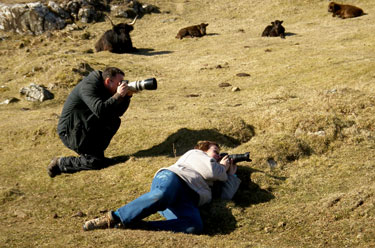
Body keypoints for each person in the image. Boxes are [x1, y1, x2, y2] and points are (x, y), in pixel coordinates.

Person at [82, 140, 241, 234]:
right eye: (216, 152)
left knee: (194, 226)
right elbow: (211, 170)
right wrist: (223, 167)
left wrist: (232, 175)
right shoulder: (195, 154)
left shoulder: (219, 173)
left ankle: (136, 226)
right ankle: (112, 218)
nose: (219, 156)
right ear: (203, 149)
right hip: (174, 179)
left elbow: (225, 196)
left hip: (189, 199)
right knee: (162, 195)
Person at [47, 67, 133, 177]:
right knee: (95, 163)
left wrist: (127, 97)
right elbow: (100, 110)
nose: (122, 85)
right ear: (108, 81)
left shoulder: (106, 87)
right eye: (119, 83)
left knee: (114, 120)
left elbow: (117, 112)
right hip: (70, 131)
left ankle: (96, 155)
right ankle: (60, 163)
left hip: (83, 125)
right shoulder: (89, 87)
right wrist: (118, 95)